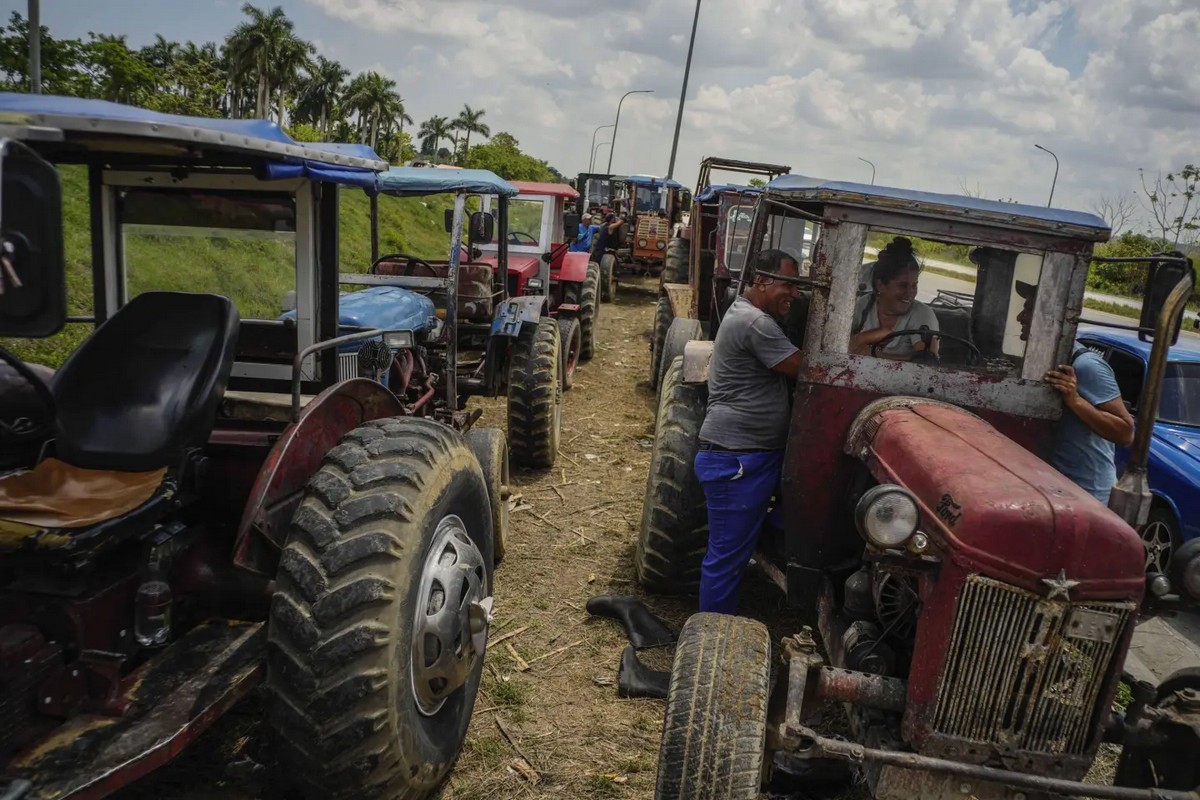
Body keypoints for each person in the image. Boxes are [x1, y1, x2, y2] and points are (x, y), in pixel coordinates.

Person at [694, 249, 805, 614]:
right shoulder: (755, 322)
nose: (795, 293)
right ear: (761, 281)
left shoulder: (749, 315)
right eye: (788, 283)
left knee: (795, 513)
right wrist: (859, 345)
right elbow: (806, 369)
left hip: (755, 457)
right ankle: (710, 638)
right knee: (725, 557)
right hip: (736, 459)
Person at [1015, 280, 1134, 504]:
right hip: (1052, 486)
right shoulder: (1041, 360)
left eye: (1029, 309)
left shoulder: (1085, 366)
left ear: (1048, 318)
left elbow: (1125, 432)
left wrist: (1076, 401)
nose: (1020, 317)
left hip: (1088, 494)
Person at [851, 237, 940, 360]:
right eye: (903, 285)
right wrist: (865, 337)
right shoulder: (865, 304)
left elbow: (928, 361)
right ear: (880, 285)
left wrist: (875, 354)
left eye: (914, 285)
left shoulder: (923, 314)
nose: (910, 293)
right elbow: (839, 342)